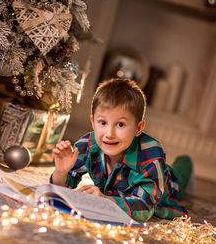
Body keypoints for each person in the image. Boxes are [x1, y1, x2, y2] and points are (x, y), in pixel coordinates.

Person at [50, 78, 193, 222]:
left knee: (181, 170)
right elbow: (63, 186)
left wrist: (105, 200)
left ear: (138, 128)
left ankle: (186, 160)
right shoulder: (87, 145)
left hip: (168, 182)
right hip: (127, 187)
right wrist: (61, 172)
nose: (109, 134)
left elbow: (145, 207)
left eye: (120, 124)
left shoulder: (151, 152)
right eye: (103, 123)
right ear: (93, 122)